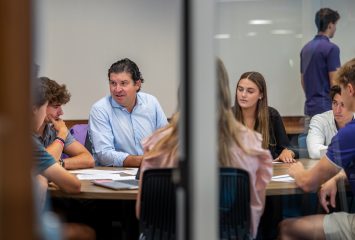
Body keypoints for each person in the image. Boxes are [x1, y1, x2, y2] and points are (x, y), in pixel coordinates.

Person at [136, 59, 273, 238]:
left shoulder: (158, 144)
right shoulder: (250, 145)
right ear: (225, 92)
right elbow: (254, 213)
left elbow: (142, 212)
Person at [279, 58, 355, 240]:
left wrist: (297, 170)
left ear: (350, 90)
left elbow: (307, 183)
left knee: (286, 228)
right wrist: (337, 176)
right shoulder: (327, 122)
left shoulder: (349, 133)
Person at [89, 58, 168, 167]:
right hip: (114, 174)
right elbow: (104, 155)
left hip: (151, 171)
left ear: (137, 84)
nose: (117, 89)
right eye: (113, 83)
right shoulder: (100, 109)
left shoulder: (151, 103)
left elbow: (166, 142)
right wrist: (143, 161)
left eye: (123, 83)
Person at [232, 71, 297, 163]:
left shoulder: (272, 115)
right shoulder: (227, 116)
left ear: (261, 95)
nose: (243, 95)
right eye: (240, 89)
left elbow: (287, 148)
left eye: (250, 91)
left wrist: (288, 152)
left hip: (268, 173)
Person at [34, 77, 94, 170]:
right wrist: (61, 135)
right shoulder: (61, 130)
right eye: (56, 106)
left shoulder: (55, 128)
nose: (61, 112)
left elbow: (89, 159)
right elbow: (41, 164)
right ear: (41, 105)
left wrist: (60, 163)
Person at [301, 8, 341, 119]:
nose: (335, 28)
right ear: (330, 25)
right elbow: (335, 82)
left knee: (311, 136)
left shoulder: (305, 49)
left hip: (309, 109)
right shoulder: (332, 49)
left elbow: (303, 81)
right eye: (335, 25)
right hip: (326, 109)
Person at [307, 85, 354, 159]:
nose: (337, 110)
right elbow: (314, 152)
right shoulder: (320, 120)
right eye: (335, 103)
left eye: (343, 104)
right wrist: (349, 151)